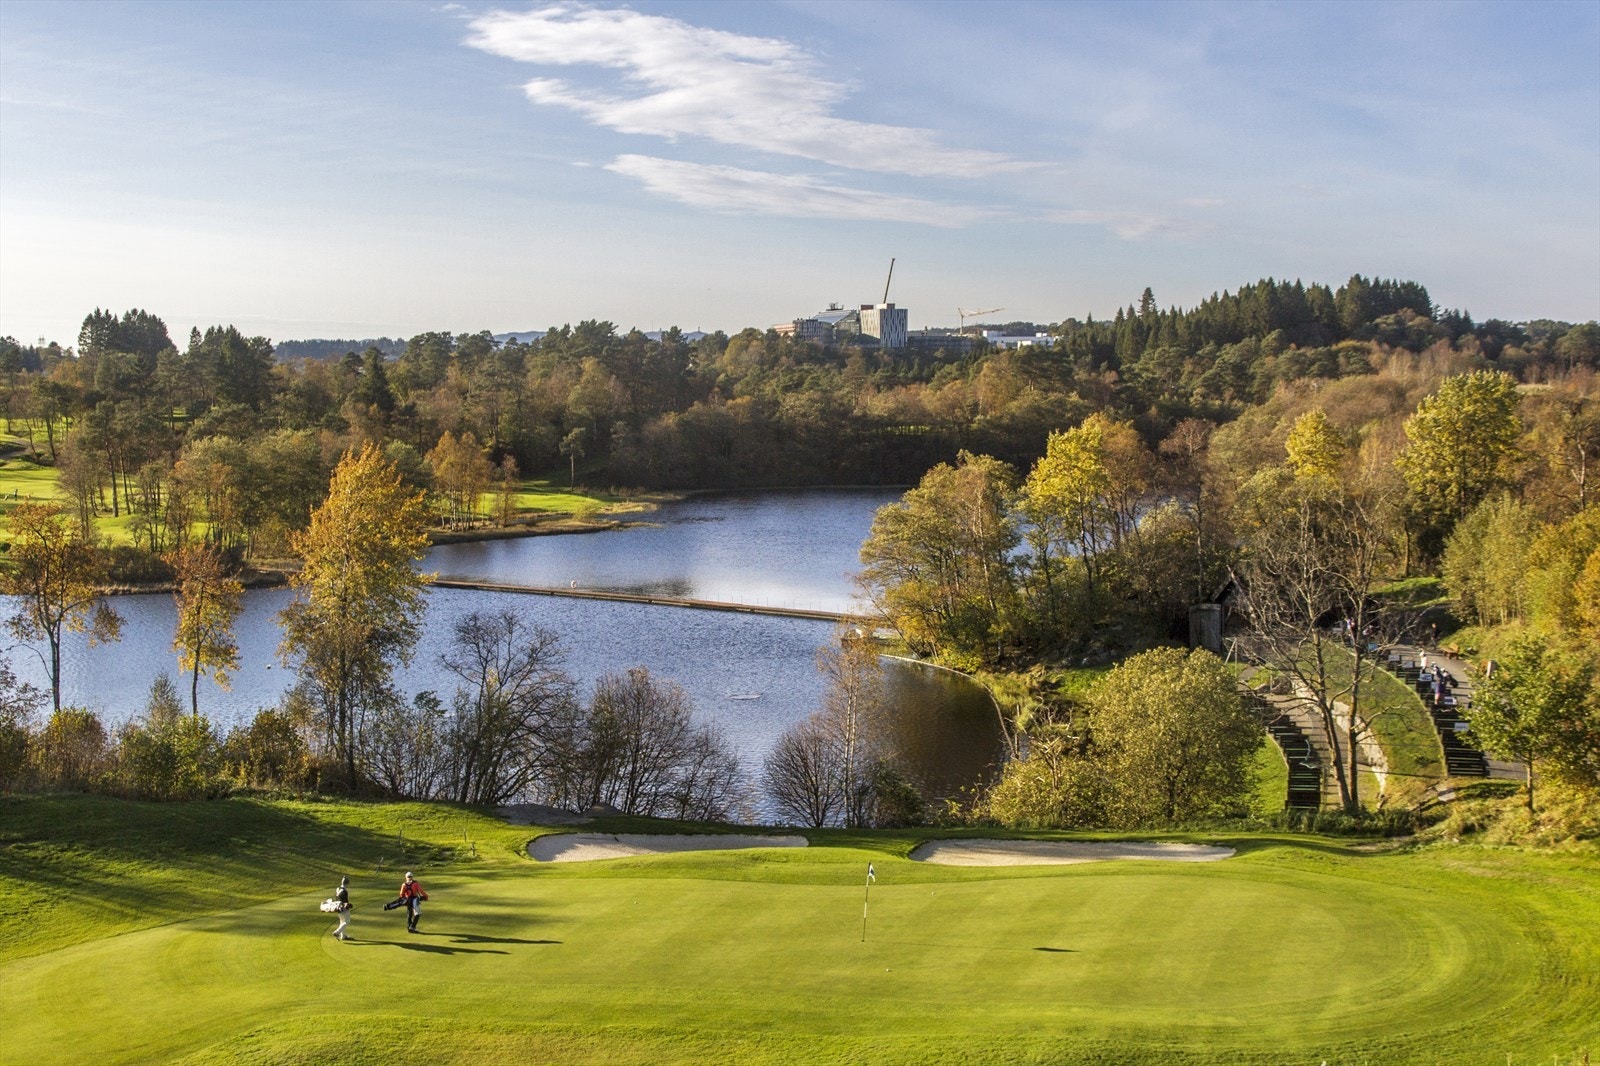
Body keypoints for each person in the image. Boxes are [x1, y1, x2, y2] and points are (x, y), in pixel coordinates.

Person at [333, 876, 352, 941]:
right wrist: (348, 905)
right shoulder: (345, 891)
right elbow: (345, 901)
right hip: (343, 908)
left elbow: (337, 898)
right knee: (347, 921)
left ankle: (343, 936)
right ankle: (337, 932)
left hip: (338, 907)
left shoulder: (338, 888)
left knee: (342, 922)